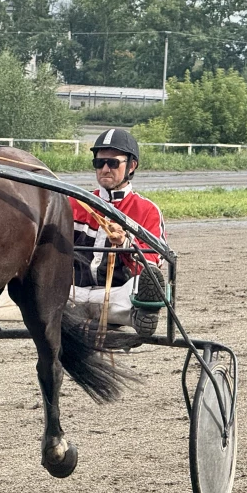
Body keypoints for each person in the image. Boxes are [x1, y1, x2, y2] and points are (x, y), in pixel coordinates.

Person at [70, 127, 166, 337]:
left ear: (131, 166)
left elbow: (151, 262)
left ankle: (139, 315)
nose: (104, 169)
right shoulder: (75, 203)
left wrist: (125, 242)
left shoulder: (147, 210)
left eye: (113, 163)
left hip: (117, 295)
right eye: (99, 163)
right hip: (73, 292)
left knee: (142, 282)